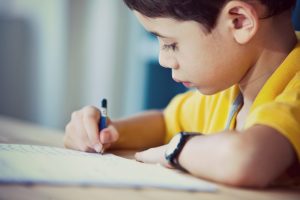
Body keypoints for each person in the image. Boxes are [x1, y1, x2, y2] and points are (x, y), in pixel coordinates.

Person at [64, 0, 300, 188]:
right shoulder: (229, 86)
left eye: (170, 44)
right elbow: (165, 122)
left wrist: (175, 150)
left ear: (239, 21)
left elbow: (246, 159)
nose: (163, 59)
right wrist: (108, 132)